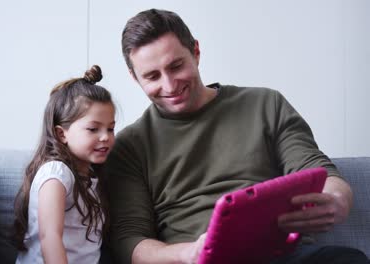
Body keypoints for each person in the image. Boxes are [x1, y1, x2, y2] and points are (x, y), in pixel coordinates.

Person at [106, 8, 369, 264]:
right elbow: (130, 242)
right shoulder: (129, 146)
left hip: (282, 255)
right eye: (152, 76)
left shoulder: (265, 104)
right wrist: (188, 254)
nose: (170, 85)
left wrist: (337, 199)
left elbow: (318, 170)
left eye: (176, 66)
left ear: (196, 52)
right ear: (134, 77)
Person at [13, 65, 116, 263]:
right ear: (62, 134)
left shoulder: (91, 176)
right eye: (93, 129)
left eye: (110, 129)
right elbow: (49, 236)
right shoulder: (57, 173)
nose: (105, 137)